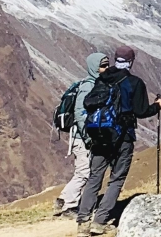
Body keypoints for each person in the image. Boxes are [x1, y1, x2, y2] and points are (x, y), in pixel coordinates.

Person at [77, 46, 161, 236]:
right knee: (116, 178)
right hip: (122, 136)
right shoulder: (134, 82)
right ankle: (99, 221)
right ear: (131, 62)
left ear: (115, 59)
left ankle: (83, 221)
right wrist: (157, 106)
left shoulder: (102, 78)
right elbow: (141, 111)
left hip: (99, 135)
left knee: (94, 177)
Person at [55, 52, 109, 218]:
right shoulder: (88, 86)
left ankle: (63, 200)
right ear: (94, 67)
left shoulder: (97, 84)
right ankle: (68, 206)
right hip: (83, 138)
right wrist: (88, 137)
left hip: (87, 136)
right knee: (84, 172)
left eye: (107, 65)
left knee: (84, 171)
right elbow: (80, 114)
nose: (106, 69)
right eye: (103, 66)